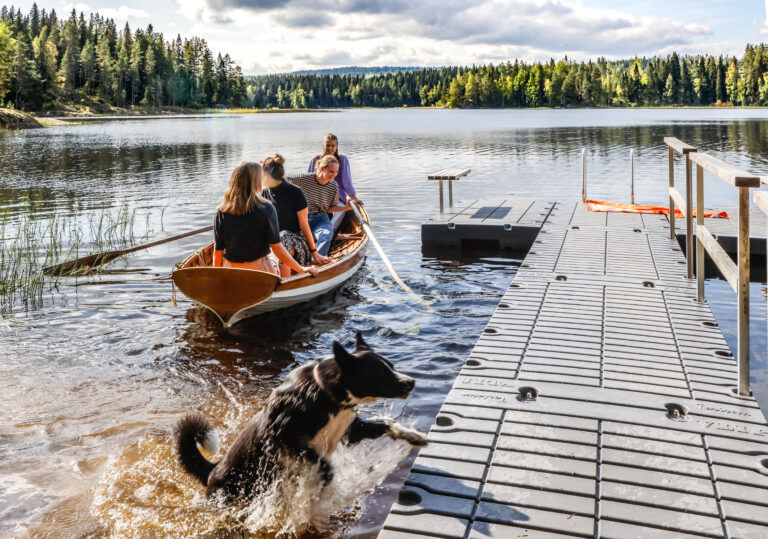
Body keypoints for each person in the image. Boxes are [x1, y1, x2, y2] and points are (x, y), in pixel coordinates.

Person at [212, 161, 317, 278]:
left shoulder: (221, 212)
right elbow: (277, 248)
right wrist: (301, 269)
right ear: (256, 181)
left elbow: (217, 252)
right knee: (282, 245)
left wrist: (218, 279)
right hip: (260, 272)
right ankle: (286, 281)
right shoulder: (266, 208)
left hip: (232, 270)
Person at [262, 154, 332, 277]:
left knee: (284, 237)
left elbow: (305, 225)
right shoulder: (263, 193)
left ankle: (285, 283)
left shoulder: (295, 192)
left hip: (297, 241)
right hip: (275, 242)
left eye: (262, 173)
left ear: (268, 175)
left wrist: (314, 253)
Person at [288, 155, 351, 256]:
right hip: (301, 217)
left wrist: (346, 208)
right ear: (322, 168)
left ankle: (318, 260)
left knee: (326, 234)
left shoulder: (334, 186)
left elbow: (330, 209)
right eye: (331, 171)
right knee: (295, 238)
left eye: (336, 172)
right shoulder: (304, 179)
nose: (334, 175)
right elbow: (284, 179)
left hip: (321, 218)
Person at [308, 133, 362, 230]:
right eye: (327, 145)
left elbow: (347, 182)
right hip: (317, 199)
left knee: (340, 210)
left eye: (333, 146)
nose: (330, 148)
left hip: (337, 198)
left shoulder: (342, 159)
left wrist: (354, 198)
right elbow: (308, 180)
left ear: (337, 146)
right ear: (323, 145)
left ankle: (329, 231)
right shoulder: (315, 160)